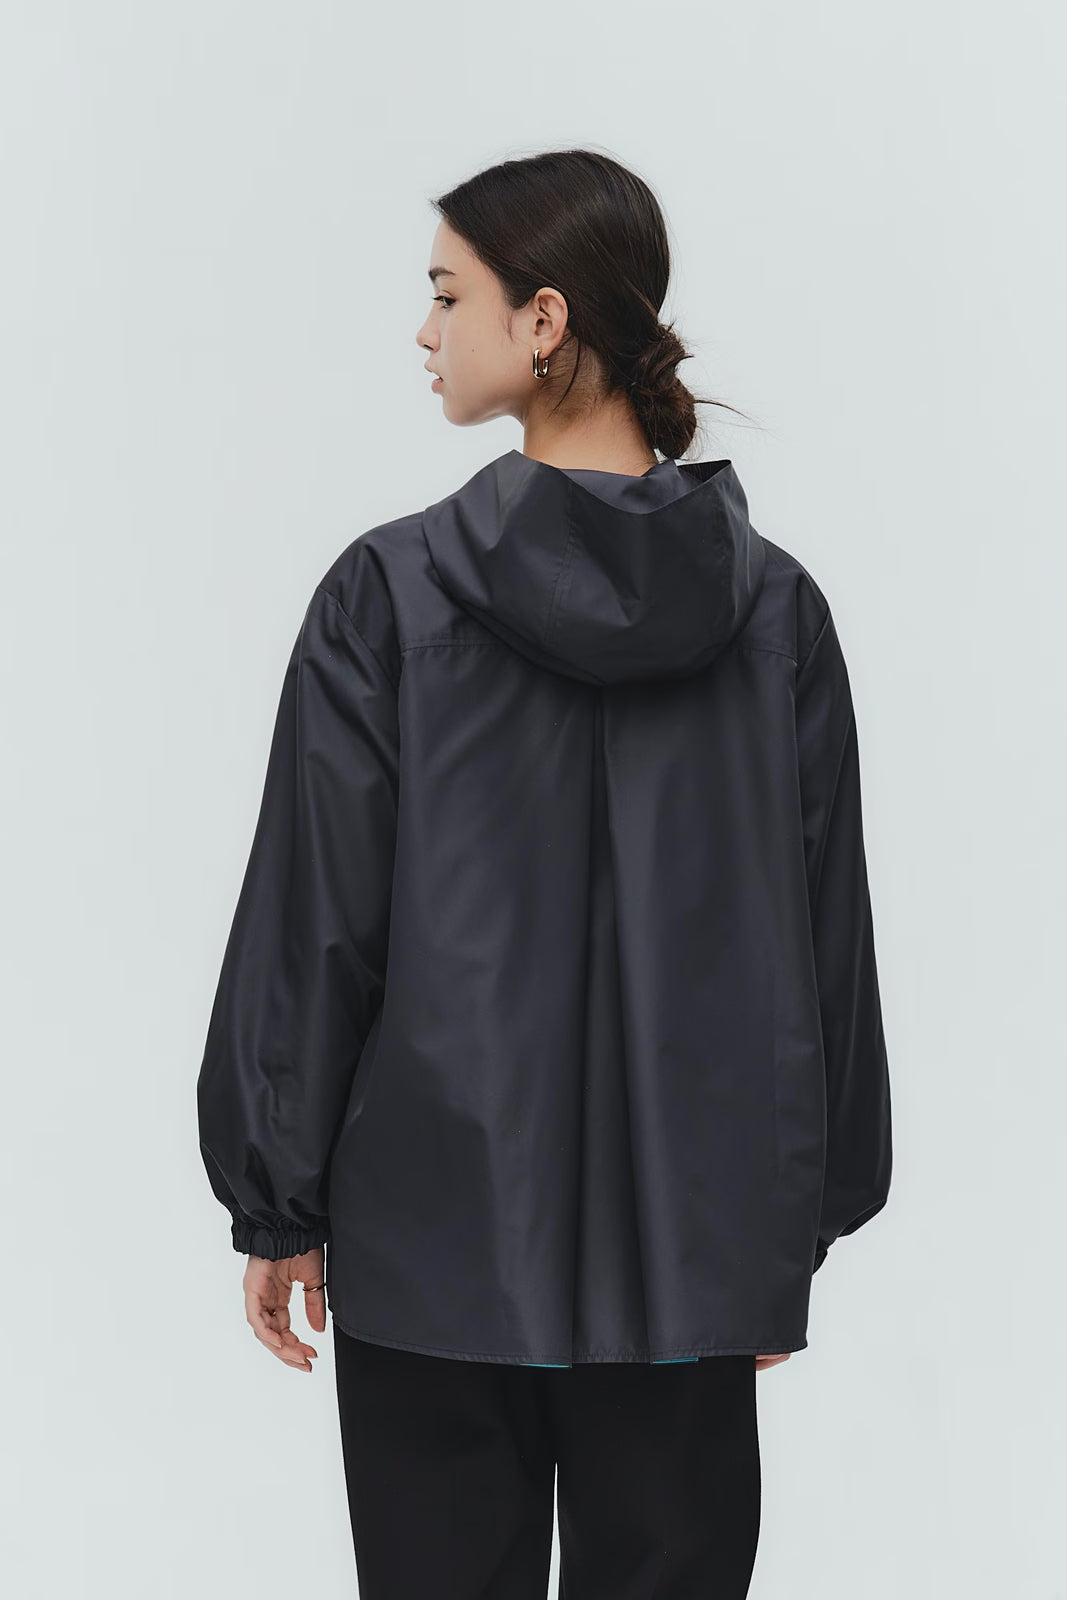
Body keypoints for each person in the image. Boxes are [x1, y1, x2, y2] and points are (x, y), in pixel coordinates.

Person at [196, 148, 892, 1599]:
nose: (423, 329)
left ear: (545, 318)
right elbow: (828, 946)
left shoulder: (386, 596)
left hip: (432, 1244)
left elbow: (321, 923)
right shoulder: (778, 615)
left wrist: (277, 1198)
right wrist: (791, 1224)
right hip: (693, 1252)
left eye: (447, 294)